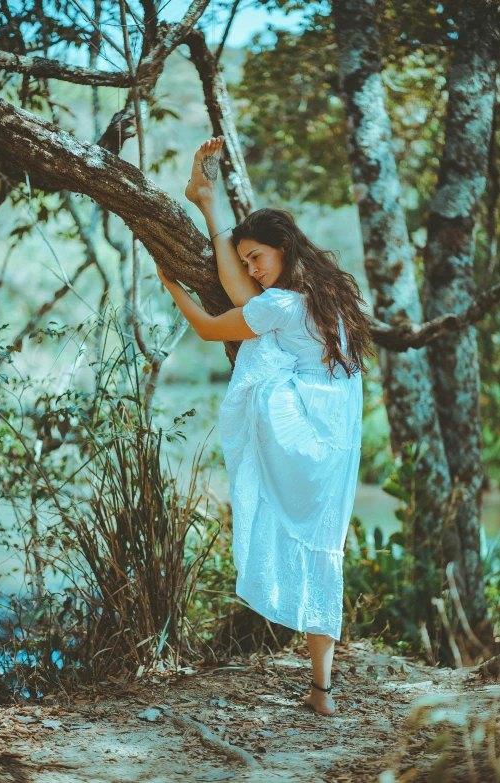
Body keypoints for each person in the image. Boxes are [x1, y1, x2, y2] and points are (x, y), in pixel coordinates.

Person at [155, 136, 375, 716]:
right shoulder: (324, 296)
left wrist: (171, 285)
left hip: (302, 429)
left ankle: (207, 201)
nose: (253, 268)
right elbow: (242, 293)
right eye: (246, 257)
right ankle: (321, 692)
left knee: (257, 339)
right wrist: (211, 214)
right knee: (325, 547)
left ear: (284, 249)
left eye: (258, 256)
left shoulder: (283, 304)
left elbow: (209, 327)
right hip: (333, 440)